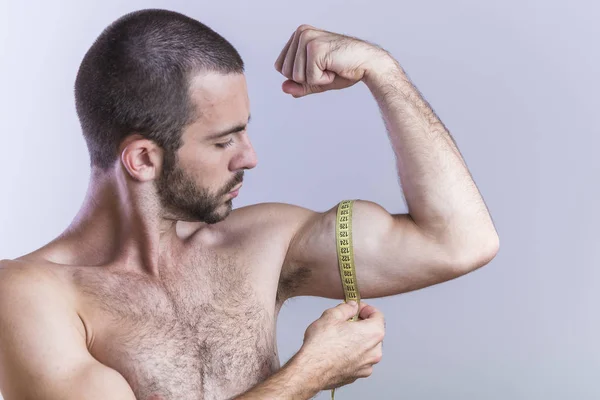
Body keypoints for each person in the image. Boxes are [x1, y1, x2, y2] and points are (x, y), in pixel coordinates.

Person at [0, 8, 499, 400]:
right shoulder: (30, 296)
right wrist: (309, 374)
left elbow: (459, 241)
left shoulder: (262, 245)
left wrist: (383, 73)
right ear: (143, 159)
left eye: (246, 129)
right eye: (224, 141)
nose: (251, 157)